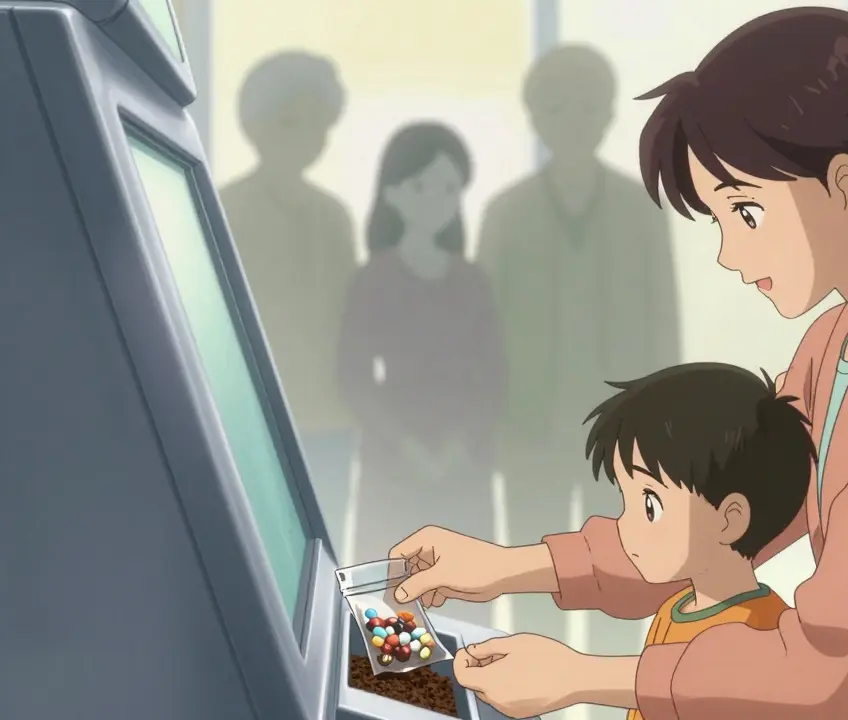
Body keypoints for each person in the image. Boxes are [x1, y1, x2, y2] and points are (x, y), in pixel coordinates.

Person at [392, 9, 848, 719]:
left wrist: (584, 678)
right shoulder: (840, 340)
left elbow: (828, 671)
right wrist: (507, 568)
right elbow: (714, 518)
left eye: (744, 213)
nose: (728, 253)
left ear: (845, 187)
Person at [476, 44, 681, 658]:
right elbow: (482, 334)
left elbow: (663, 320)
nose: (572, 119)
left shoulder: (640, 209)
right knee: (540, 575)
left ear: (608, 114)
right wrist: (490, 422)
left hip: (622, 434)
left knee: (621, 576)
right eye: (557, 107)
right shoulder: (505, 213)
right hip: (528, 426)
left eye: (586, 105)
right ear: (535, 117)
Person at [573, 363, 814, 720]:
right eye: (626, 501)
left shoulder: (763, 634)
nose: (625, 526)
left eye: (650, 505)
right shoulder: (673, 610)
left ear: (729, 520)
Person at [338, 122, 504, 627]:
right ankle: (395, 705)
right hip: (392, 463)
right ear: (391, 193)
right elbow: (353, 376)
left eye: (449, 189)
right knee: (392, 626)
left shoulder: (473, 281)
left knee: (466, 612)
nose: (436, 200)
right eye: (421, 187)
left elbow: (495, 376)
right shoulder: (374, 279)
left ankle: (468, 697)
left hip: (464, 466)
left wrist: (462, 443)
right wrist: (404, 444)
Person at [220, 51, 358, 554]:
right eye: (288, 120)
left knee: (328, 550)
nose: (302, 135)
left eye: (316, 124)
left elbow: (354, 323)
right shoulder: (226, 208)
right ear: (253, 123)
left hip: (330, 419)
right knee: (252, 549)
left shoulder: (335, 216)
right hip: (252, 417)